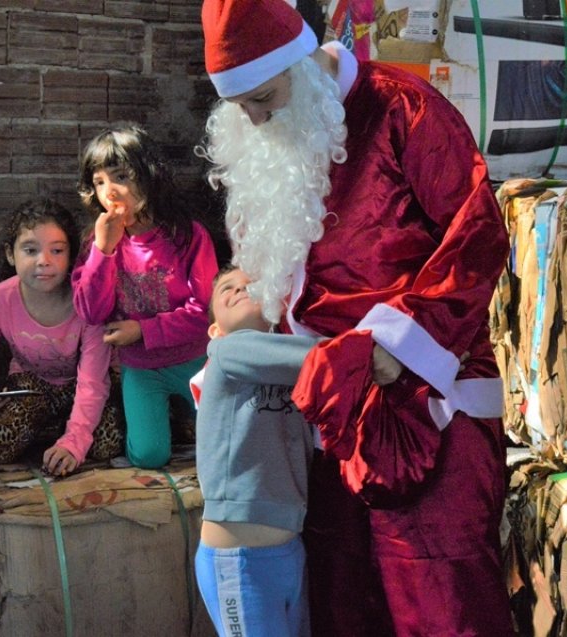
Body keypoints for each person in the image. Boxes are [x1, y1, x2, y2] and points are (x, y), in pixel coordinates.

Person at [198, 1, 514, 635]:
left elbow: (477, 234)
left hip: (427, 406)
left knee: (440, 604)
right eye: (242, 108)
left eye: (264, 97)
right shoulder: (270, 143)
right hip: (325, 418)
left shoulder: (403, 108)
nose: (255, 118)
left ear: (304, 63)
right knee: (344, 604)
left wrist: (400, 341)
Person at [72, 124, 219, 469]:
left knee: (228, 440)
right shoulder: (97, 242)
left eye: (120, 176)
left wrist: (142, 331)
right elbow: (91, 312)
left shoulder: (187, 235)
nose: (110, 191)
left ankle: (185, 417)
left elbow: (206, 312)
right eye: (99, 182)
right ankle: (169, 419)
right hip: (142, 368)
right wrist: (103, 251)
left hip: (196, 359)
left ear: (148, 176)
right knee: (149, 456)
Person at [194, 265, 320, 637]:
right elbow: (322, 356)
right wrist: (376, 347)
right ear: (214, 330)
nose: (239, 289)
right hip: (240, 561)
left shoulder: (285, 363)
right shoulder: (228, 350)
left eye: (251, 284)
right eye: (225, 290)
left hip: (287, 550)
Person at [0, 197, 124, 476]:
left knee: (108, 442)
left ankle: (68, 428)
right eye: (30, 250)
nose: (43, 261)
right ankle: (52, 425)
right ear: (11, 254)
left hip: (86, 387)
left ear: (71, 255)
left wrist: (74, 442)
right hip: (32, 386)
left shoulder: (89, 305)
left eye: (57, 250)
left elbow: (93, 381)